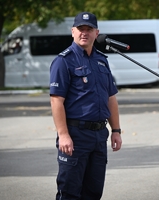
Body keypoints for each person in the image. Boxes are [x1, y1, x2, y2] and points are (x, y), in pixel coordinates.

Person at [49, 12, 122, 200]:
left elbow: (110, 97)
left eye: (89, 29)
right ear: (73, 31)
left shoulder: (102, 60)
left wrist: (116, 130)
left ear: (96, 33)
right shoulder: (63, 61)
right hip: (75, 135)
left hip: (99, 136)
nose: (85, 33)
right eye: (81, 29)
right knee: (70, 192)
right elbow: (57, 100)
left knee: (93, 192)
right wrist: (63, 134)